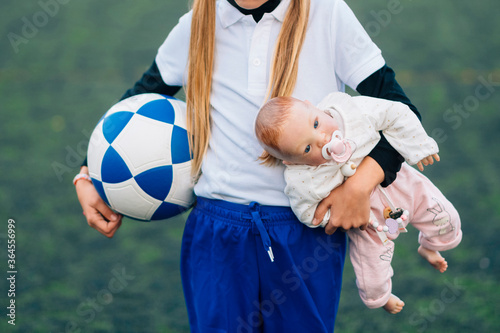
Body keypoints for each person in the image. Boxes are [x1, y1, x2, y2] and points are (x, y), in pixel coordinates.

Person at [73, 0, 440, 331]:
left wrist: (361, 185)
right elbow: (137, 103)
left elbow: (401, 112)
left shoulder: (327, 14)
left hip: (304, 233)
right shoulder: (197, 24)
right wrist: (87, 174)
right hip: (216, 232)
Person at [254, 92, 462, 313]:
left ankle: (429, 247)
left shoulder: (350, 111)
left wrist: (419, 147)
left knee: (447, 219)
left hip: (402, 187)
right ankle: (382, 297)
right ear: (290, 161)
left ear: (311, 105)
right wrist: (333, 211)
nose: (323, 139)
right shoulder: (302, 178)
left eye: (316, 123)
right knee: (371, 275)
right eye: (307, 149)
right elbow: (307, 213)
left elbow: (396, 113)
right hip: (369, 224)